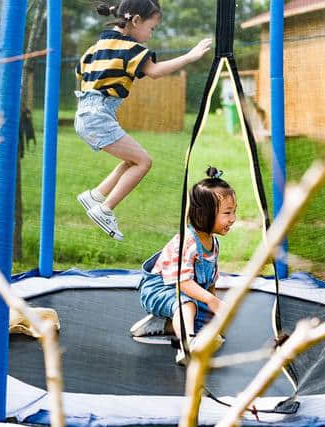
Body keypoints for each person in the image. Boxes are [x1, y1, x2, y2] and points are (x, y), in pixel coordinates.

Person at [75, 0, 212, 241]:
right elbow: (156, 72)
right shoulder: (131, 49)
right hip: (98, 116)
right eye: (152, 28)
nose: (150, 35)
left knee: (132, 159)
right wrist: (191, 56)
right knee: (143, 162)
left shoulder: (95, 47)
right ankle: (105, 209)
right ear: (136, 20)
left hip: (85, 112)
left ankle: (95, 195)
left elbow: (80, 71)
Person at [131, 167, 236, 364]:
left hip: (186, 292)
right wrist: (212, 302)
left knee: (207, 317)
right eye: (227, 213)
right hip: (159, 289)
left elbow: (210, 283)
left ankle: (166, 324)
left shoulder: (213, 243)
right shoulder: (187, 242)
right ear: (204, 214)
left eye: (234, 212)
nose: (233, 219)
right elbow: (183, 283)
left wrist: (213, 311)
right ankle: (186, 347)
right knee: (186, 303)